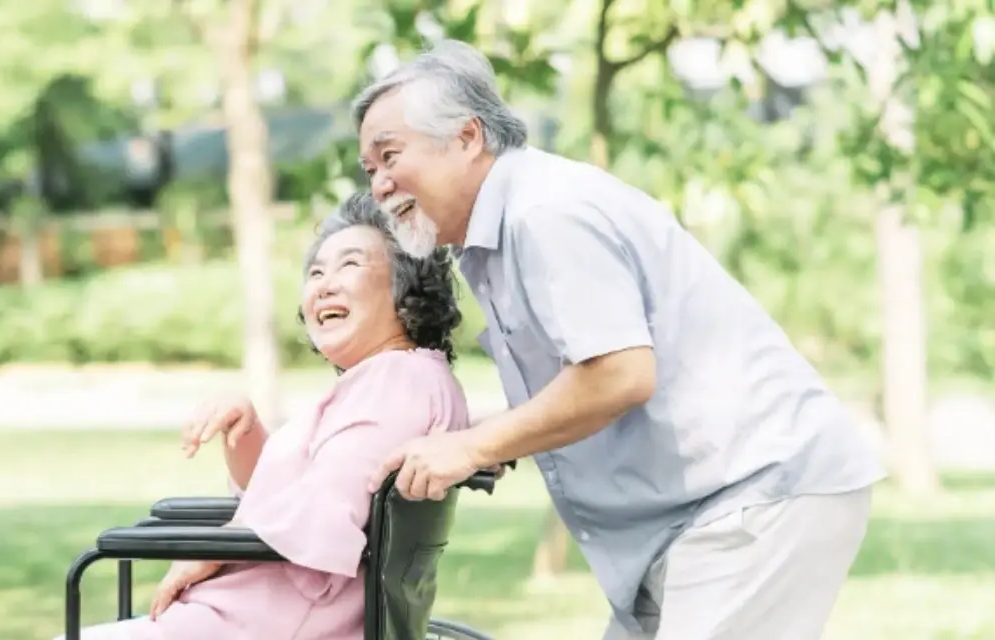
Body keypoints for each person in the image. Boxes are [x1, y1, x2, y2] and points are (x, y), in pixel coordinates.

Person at [355, 39, 887, 639]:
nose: (379, 185)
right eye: (369, 169)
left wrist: (475, 447)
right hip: (698, 517)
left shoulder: (544, 213)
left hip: (752, 496)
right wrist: (481, 434)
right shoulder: (498, 237)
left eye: (390, 155)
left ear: (468, 138)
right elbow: (582, 380)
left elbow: (619, 373)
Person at [55, 192, 470, 640]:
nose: (323, 285)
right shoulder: (395, 381)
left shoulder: (397, 382)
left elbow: (324, 512)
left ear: (405, 286)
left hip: (268, 624)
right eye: (315, 272)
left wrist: (207, 553)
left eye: (349, 265)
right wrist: (246, 431)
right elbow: (303, 497)